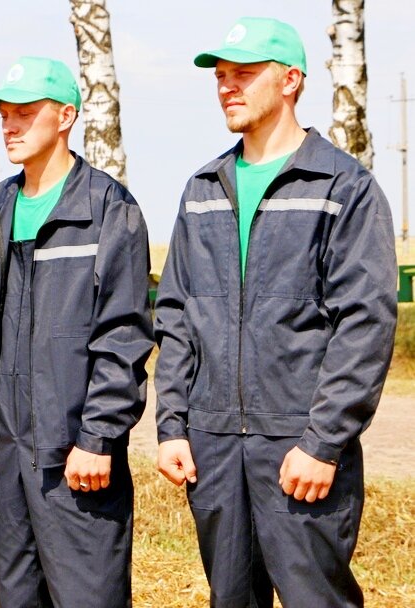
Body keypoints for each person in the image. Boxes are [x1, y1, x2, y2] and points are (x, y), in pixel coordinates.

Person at [154, 17, 397, 607]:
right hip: (212, 448)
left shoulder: (342, 186)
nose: (227, 86)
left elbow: (364, 324)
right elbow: (177, 315)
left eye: (244, 73)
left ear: (290, 80)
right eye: (220, 76)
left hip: (298, 446)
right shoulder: (203, 189)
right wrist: (172, 425)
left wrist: (323, 443)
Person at [0, 56, 154, 607]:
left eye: (24, 112)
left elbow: (123, 336)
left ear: (65, 116)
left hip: (74, 454)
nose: (9, 125)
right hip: (7, 452)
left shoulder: (107, 208)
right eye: (3, 115)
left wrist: (98, 438)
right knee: (17, 596)